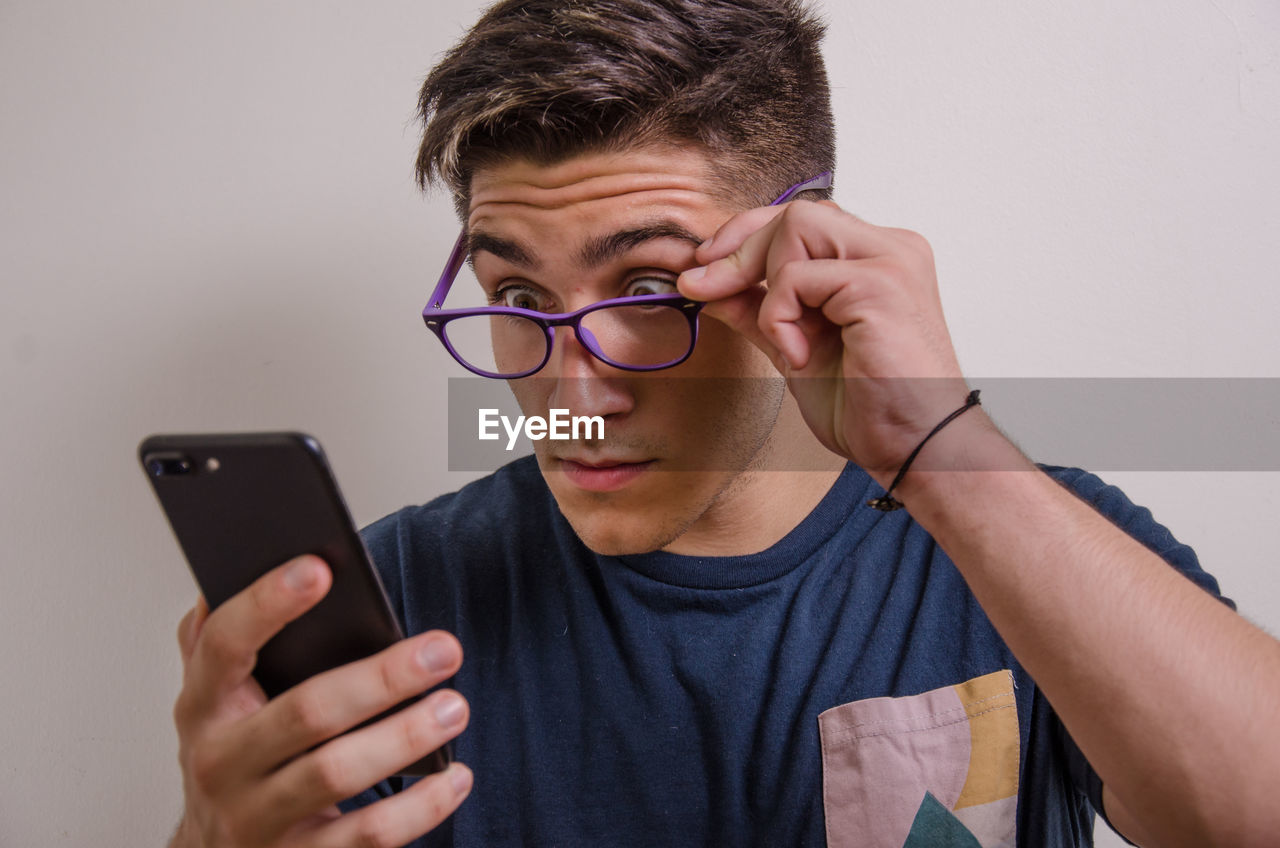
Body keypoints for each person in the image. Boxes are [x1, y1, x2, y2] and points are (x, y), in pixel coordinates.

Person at [165, 1, 1280, 846]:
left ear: (797, 261)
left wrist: (943, 449)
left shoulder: (1026, 541)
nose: (568, 391)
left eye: (647, 295)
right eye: (516, 302)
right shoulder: (393, 600)